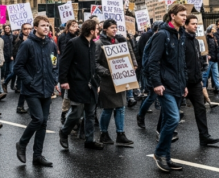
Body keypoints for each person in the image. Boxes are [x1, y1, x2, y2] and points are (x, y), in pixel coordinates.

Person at [148, 4, 189, 173]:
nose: (185, 17)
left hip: (177, 85)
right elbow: (153, 61)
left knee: (167, 120)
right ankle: (159, 153)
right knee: (173, 118)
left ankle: (166, 156)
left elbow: (181, 62)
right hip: (165, 85)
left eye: (186, 15)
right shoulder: (162, 35)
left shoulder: (181, 34)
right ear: (172, 16)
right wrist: (156, 83)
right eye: (181, 15)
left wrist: (184, 83)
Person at [15, 15, 57, 167]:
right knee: (38, 119)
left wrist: (55, 79)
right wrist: (30, 81)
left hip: (47, 88)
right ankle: (22, 143)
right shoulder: (27, 44)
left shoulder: (51, 44)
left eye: (48, 25)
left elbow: (54, 63)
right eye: (43, 25)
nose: (46, 28)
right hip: (32, 89)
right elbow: (18, 67)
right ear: (36, 28)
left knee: (44, 122)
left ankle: (37, 156)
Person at [58, 20, 104, 151]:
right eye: (97, 29)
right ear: (91, 31)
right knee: (76, 112)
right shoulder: (74, 43)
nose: (98, 32)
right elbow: (64, 63)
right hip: (77, 83)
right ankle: (64, 132)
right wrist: (63, 81)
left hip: (91, 84)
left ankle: (90, 140)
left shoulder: (93, 44)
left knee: (90, 113)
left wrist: (97, 82)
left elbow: (93, 66)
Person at [95, 19, 135, 147]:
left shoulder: (118, 41)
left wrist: (130, 66)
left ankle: (120, 134)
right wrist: (107, 71)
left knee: (121, 108)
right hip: (106, 81)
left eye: (116, 27)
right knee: (108, 109)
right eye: (112, 27)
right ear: (105, 29)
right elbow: (94, 63)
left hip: (120, 80)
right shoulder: (99, 43)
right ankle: (104, 134)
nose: (115, 29)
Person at [182, 14, 219, 147]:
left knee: (200, 108)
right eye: (192, 23)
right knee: (172, 112)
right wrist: (183, 81)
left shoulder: (196, 41)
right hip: (183, 83)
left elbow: (197, 61)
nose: (195, 25)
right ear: (185, 25)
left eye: (196, 23)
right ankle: (161, 132)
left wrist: (200, 79)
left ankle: (204, 136)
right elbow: (180, 63)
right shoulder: (181, 40)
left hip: (195, 82)